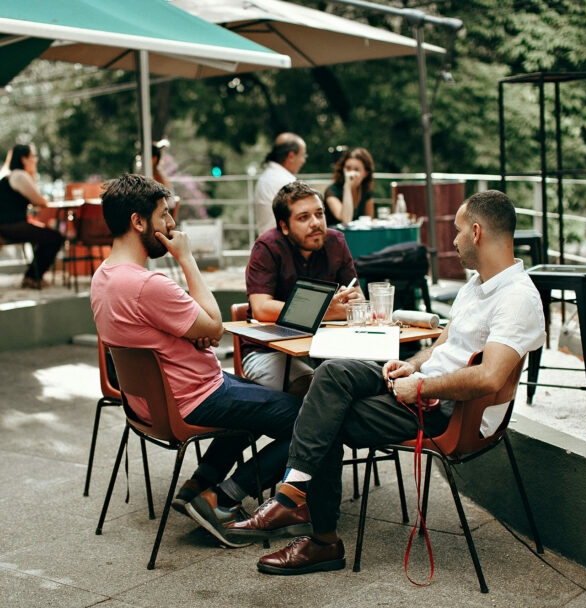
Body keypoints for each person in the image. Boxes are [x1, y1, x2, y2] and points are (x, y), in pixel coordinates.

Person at [225, 190, 547, 575]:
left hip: (449, 411)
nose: (454, 240)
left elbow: (489, 375)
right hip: (424, 387)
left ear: (477, 232)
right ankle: (293, 492)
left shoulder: (517, 298)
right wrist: (411, 366)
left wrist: (423, 387)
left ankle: (322, 540)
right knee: (332, 373)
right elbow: (445, 343)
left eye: (458, 231)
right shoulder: (476, 284)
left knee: (328, 415)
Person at [90, 173, 303, 548]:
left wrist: (198, 329)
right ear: (138, 222)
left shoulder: (103, 277)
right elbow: (214, 326)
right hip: (194, 398)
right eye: (164, 216)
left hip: (151, 405)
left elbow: (202, 329)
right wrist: (187, 258)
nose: (172, 225)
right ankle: (220, 499)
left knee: (257, 396)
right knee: (308, 418)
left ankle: (198, 484)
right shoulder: (147, 285)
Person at [243, 180, 363, 395]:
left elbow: (358, 302)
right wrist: (324, 312)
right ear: (284, 227)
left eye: (319, 214)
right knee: (317, 393)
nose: (316, 223)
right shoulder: (267, 247)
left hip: (328, 348)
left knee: (372, 382)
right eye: (303, 217)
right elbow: (261, 308)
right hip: (270, 351)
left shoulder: (336, 242)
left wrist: (348, 305)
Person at [0, 143, 63, 289]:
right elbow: (39, 201)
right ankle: (32, 277)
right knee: (54, 237)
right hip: (11, 225)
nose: (35, 159)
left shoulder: (10, 175)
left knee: (45, 235)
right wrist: (33, 174)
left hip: (8, 224)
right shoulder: (19, 175)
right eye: (33, 156)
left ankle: (33, 276)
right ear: (24, 159)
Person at [254, 133, 307, 235]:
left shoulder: (266, 177)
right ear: (291, 156)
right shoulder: (286, 182)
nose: (303, 161)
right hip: (281, 246)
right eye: (302, 155)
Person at [324, 147, 375, 226]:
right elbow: (345, 219)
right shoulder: (332, 191)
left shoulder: (366, 191)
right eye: (348, 168)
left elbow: (369, 220)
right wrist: (347, 186)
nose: (351, 174)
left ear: (365, 173)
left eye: (356, 170)